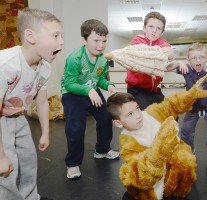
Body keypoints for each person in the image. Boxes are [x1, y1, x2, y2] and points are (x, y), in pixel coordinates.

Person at [106, 73, 207, 200]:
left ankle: (178, 191)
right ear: (118, 122)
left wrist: (191, 94)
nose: (138, 115)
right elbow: (136, 171)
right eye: (129, 114)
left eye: (137, 108)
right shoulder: (127, 143)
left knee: (184, 159)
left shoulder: (151, 112)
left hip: (171, 175)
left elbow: (171, 104)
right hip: (152, 182)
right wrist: (158, 150)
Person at [0, 8, 64, 200]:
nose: (61, 41)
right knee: (7, 168)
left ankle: (30, 197)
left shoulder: (44, 67)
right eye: (55, 35)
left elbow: (42, 100)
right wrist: (1, 156)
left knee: (28, 160)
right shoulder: (7, 64)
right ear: (30, 36)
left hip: (18, 117)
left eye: (61, 35)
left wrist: (45, 132)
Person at [61, 19, 119, 180]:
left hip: (91, 91)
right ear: (84, 40)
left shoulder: (102, 59)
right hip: (72, 93)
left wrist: (109, 86)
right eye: (96, 40)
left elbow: (100, 79)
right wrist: (88, 89)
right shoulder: (75, 59)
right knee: (76, 128)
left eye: (104, 41)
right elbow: (70, 84)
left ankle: (102, 150)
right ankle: (72, 164)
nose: (101, 45)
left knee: (106, 118)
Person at [166, 42, 207, 173]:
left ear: (206, 58)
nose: (198, 60)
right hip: (193, 107)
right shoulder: (187, 69)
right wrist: (179, 63)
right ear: (189, 60)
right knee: (185, 130)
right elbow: (167, 67)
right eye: (194, 58)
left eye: (201, 57)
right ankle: (190, 152)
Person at [125, 11, 175, 110]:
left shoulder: (162, 42)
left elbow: (170, 53)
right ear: (144, 28)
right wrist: (160, 52)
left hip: (154, 90)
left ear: (162, 32)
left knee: (170, 112)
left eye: (158, 28)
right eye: (151, 26)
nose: (154, 31)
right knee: (148, 115)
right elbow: (142, 53)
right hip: (136, 89)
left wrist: (171, 54)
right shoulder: (137, 40)